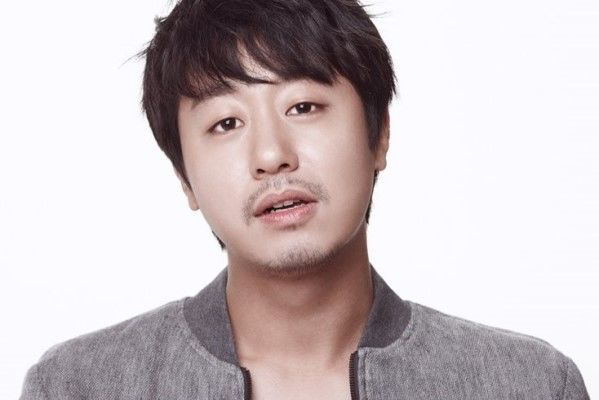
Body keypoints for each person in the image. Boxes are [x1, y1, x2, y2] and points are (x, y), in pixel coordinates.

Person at [20, 0, 590, 399]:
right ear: (184, 178)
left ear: (379, 135)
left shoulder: (530, 385)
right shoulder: (75, 387)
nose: (272, 155)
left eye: (303, 107)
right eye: (225, 123)